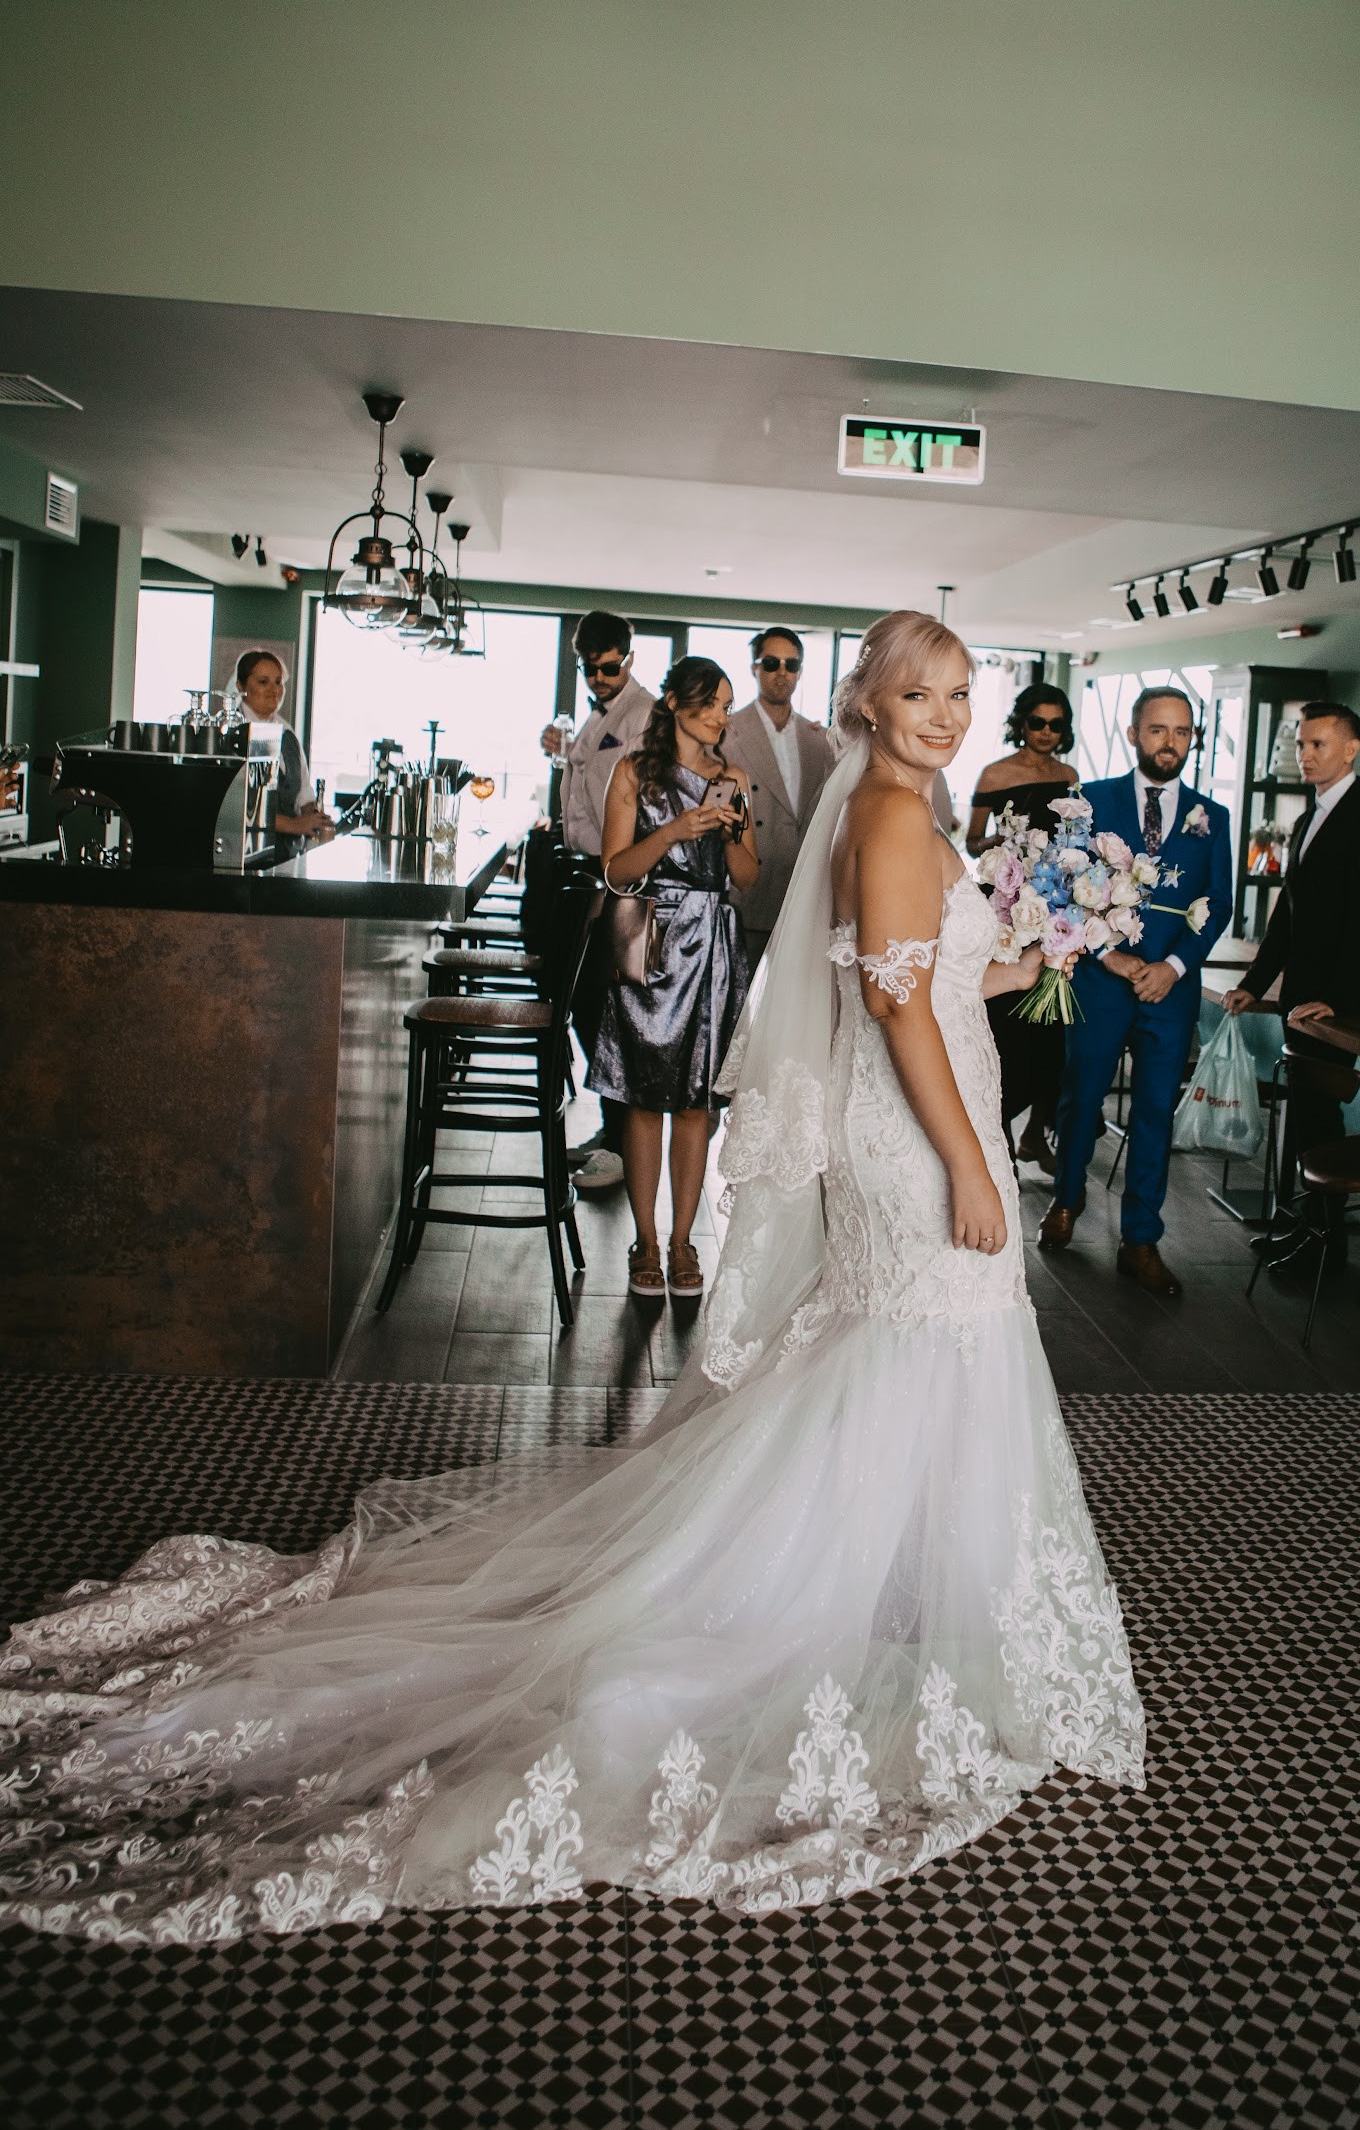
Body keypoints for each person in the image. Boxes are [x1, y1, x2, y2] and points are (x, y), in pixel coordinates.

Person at [0, 609, 1144, 1942]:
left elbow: (938, 979)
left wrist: (1039, 950)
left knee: (896, 1357)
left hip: (927, 1116)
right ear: (871, 707)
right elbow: (892, 1015)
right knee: (918, 1346)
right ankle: (854, 1604)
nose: (945, 713)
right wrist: (961, 1164)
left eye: (960, 692)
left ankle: (898, 1590)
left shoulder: (907, 813)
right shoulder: (891, 820)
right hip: (918, 1137)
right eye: (920, 693)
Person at [1040, 687, 1232, 1293]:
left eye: (1181, 731)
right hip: (1101, 982)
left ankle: (1141, 1240)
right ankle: (1066, 1200)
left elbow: (1219, 903)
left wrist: (1173, 966)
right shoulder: (1089, 802)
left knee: (1154, 1112)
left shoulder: (1212, 817)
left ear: (1191, 738)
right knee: (1081, 1096)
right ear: (1133, 733)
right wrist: (1111, 956)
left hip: (1170, 992)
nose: (1169, 742)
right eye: (1157, 729)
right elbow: (1061, 889)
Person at [593, 657, 758, 1303]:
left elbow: (747, 878)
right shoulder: (634, 772)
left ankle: (684, 1239)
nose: (720, 716)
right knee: (642, 1098)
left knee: (696, 1102)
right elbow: (613, 872)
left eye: (724, 704)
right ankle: (644, 1238)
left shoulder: (732, 777)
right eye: (710, 703)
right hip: (651, 940)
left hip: (713, 942)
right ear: (671, 702)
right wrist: (673, 830)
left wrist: (732, 830)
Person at [1223, 700, 1360, 1275]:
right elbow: (1288, 917)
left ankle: (1326, 1244)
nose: (1305, 755)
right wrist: (1256, 982)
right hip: (1301, 993)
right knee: (1303, 1116)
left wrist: (1343, 1004)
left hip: (1335, 1001)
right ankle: (1300, 1226)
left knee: (1321, 1117)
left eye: (1318, 744)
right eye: (1301, 744)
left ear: (1351, 749)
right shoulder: (1306, 818)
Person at [548, 612, 654, 1192]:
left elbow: (629, 800)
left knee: (607, 1011)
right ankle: (611, 1132)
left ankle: (622, 1144)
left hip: (621, 878)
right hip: (589, 873)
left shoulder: (643, 715)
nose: (600, 677)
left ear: (629, 658)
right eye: (590, 668)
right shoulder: (597, 715)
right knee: (589, 1010)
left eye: (610, 666)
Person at [967, 681, 1082, 1167]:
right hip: (1005, 904)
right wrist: (1010, 840)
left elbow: (1077, 835)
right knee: (1008, 1023)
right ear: (1022, 723)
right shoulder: (996, 773)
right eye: (1038, 722)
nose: (1046, 732)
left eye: (1056, 724)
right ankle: (998, 1133)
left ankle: (1037, 1129)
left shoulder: (1069, 774)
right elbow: (971, 842)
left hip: (1054, 906)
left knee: (1051, 1025)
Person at [718, 626, 836, 975]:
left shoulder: (820, 740)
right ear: (754, 668)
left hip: (803, 896)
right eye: (771, 663)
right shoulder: (726, 733)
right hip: (749, 896)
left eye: (791, 664)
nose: (782, 673)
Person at [233, 649, 335, 843]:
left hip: (287, 852)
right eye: (263, 682)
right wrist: (295, 825)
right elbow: (238, 805)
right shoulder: (234, 733)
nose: (275, 690)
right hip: (246, 850)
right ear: (241, 686)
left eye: (278, 682)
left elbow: (303, 792)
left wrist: (313, 817)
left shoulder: (286, 732)